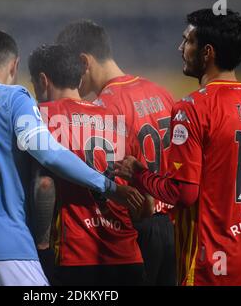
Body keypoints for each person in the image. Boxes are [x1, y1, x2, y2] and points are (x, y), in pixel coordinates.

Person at [0, 29, 145, 286]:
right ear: (14, 65)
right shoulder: (13, 98)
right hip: (9, 248)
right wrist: (107, 186)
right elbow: (47, 153)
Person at [115, 9, 241, 286]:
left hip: (210, 265)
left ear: (207, 52)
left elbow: (183, 193)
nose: (180, 48)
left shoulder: (192, 108)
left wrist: (138, 174)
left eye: (187, 41)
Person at [56, 20, 176, 285]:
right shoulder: (163, 94)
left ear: (83, 61)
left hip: (137, 228)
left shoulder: (104, 108)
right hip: (172, 228)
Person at [28, 44, 150, 285]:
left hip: (72, 258)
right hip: (127, 258)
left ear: (42, 80)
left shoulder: (40, 118)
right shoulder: (120, 123)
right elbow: (146, 205)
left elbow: (42, 186)